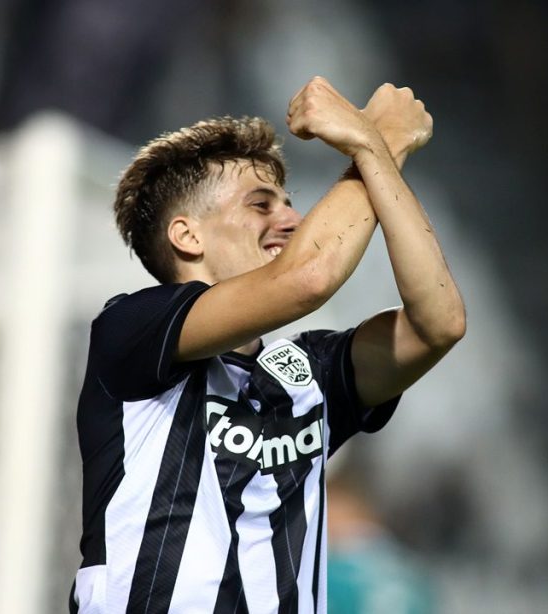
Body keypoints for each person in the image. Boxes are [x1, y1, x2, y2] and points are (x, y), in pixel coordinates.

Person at [71, 76, 465, 614]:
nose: (292, 220)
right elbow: (307, 278)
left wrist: (375, 148)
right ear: (188, 236)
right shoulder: (129, 330)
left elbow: (438, 323)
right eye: (261, 205)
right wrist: (379, 141)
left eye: (288, 203)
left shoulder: (309, 373)